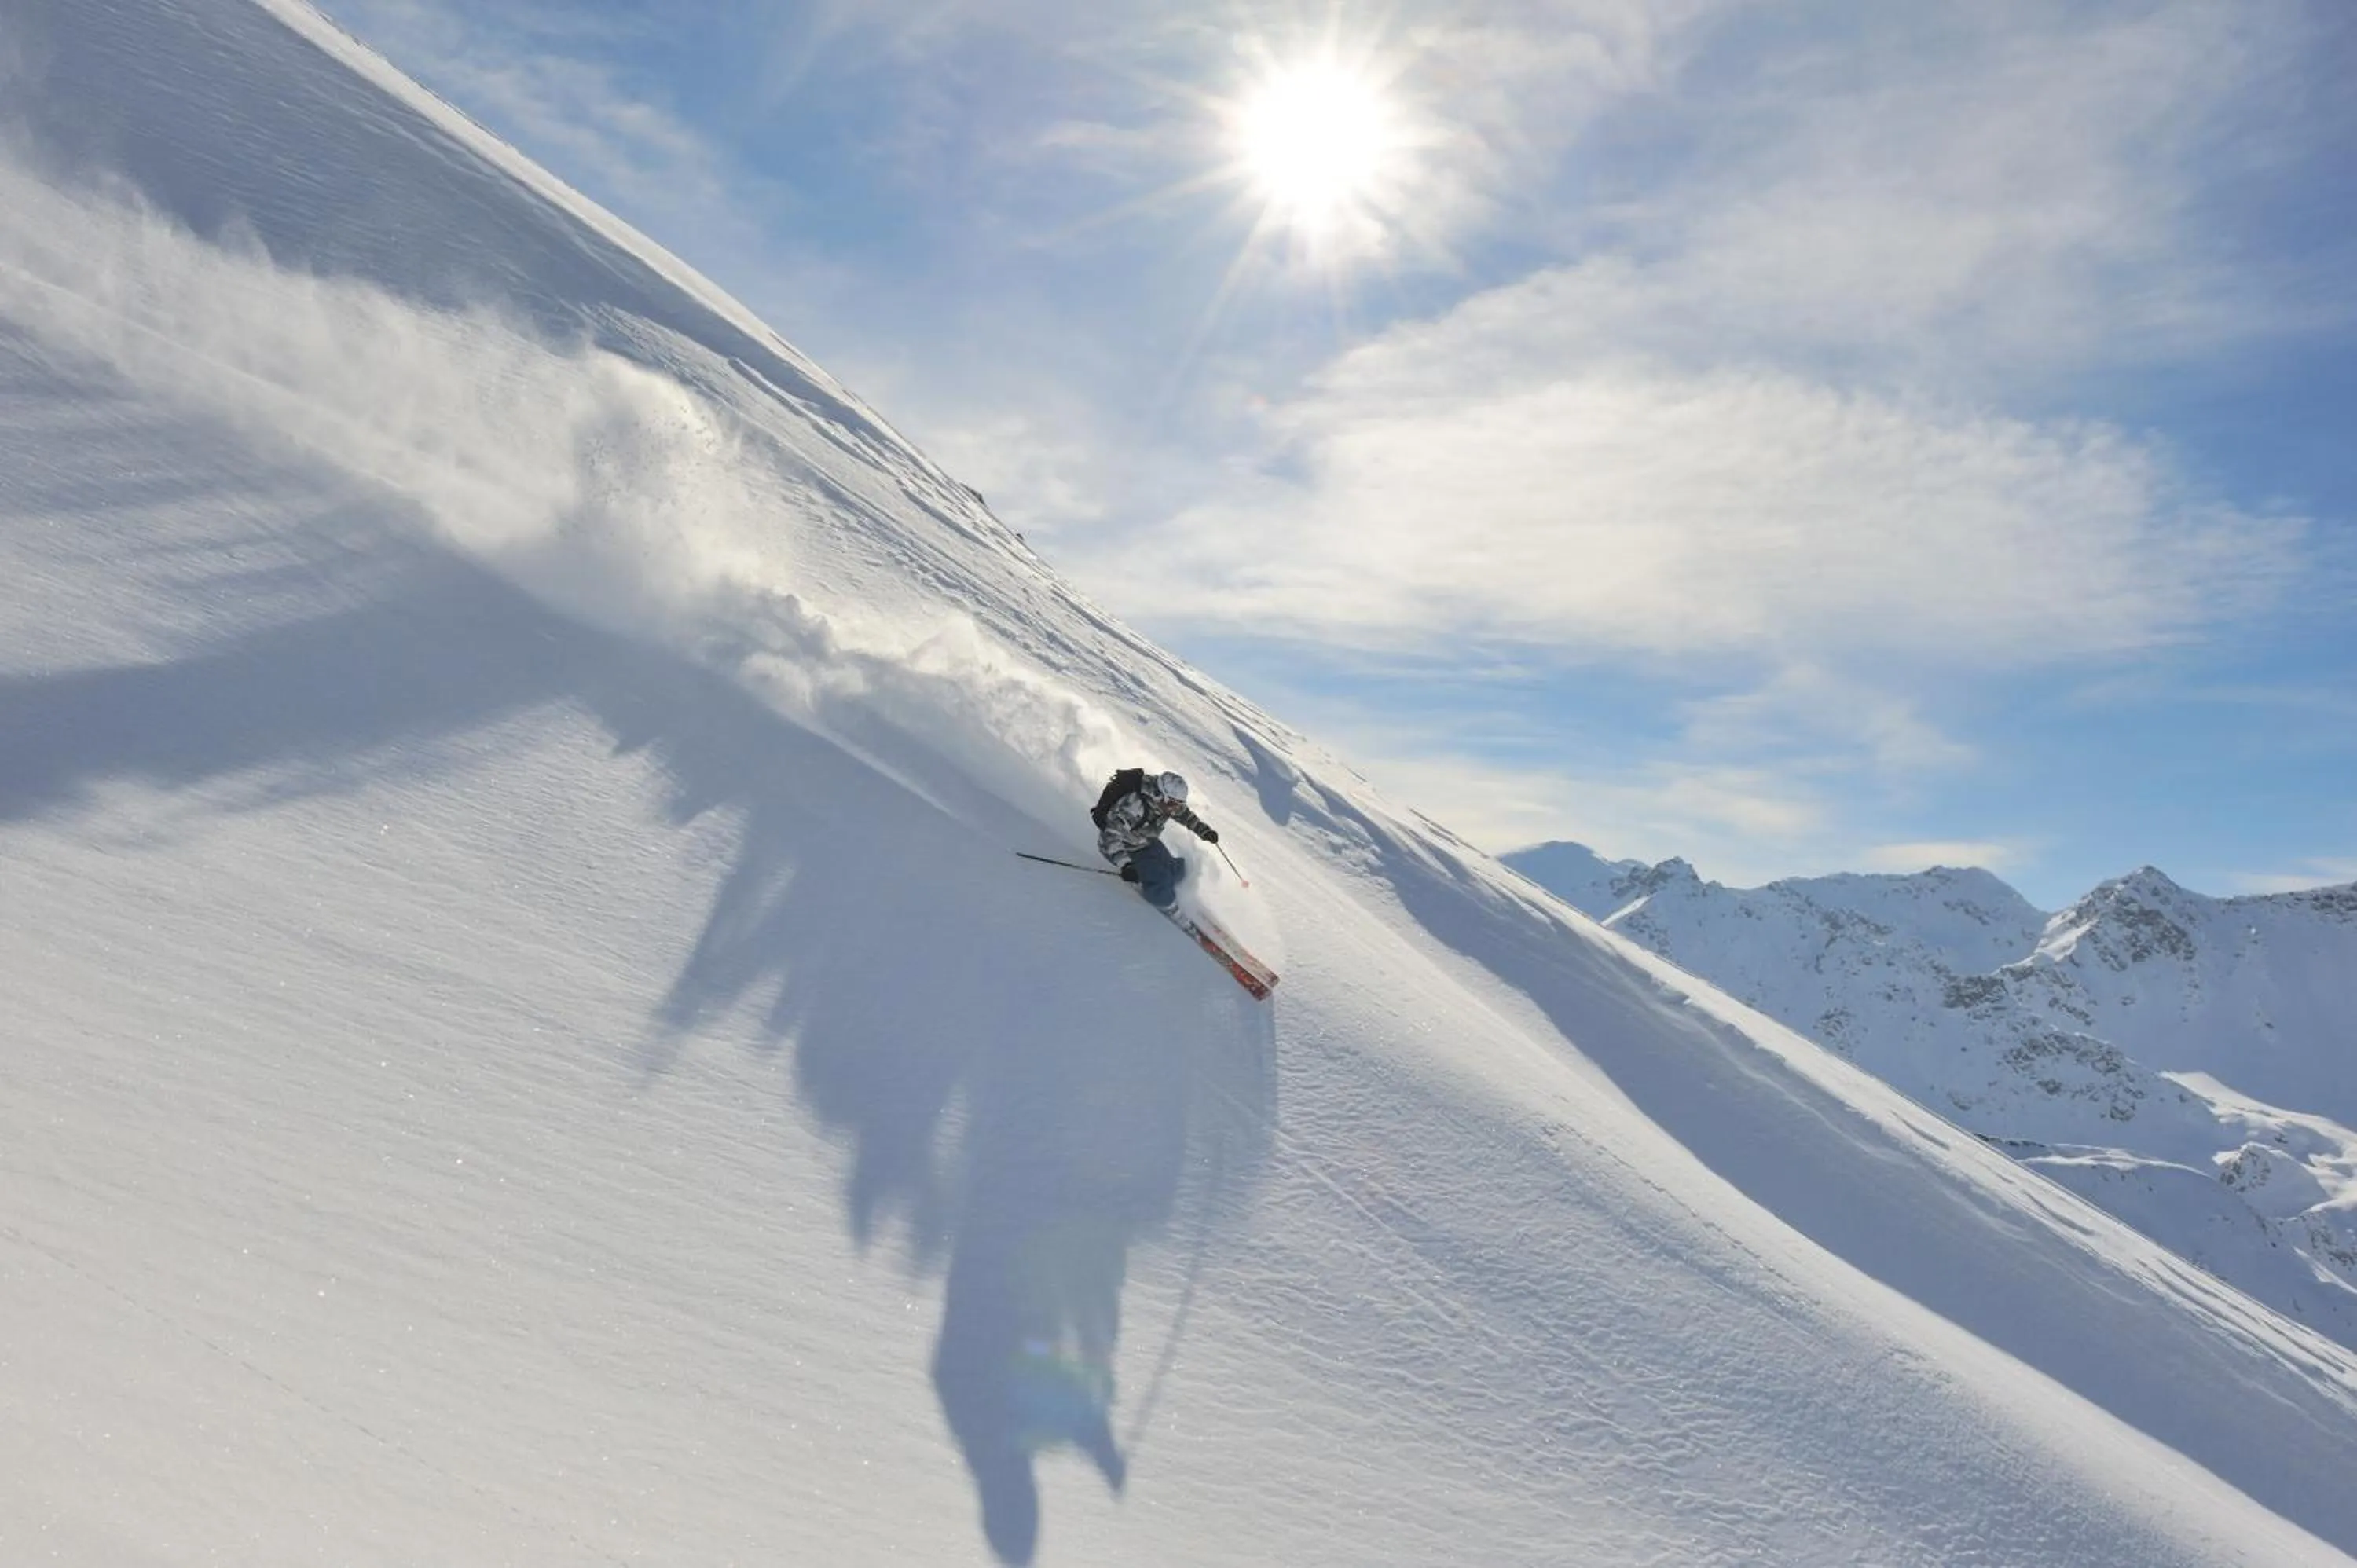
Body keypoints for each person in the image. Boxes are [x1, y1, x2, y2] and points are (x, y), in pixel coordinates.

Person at [1090, 768, 1219, 909]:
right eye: (1173, 804)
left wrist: (1204, 831)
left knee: (1177, 872)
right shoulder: (1134, 806)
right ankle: (1164, 902)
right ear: (1160, 795)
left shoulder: (1166, 803)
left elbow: (1184, 814)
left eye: (1178, 805)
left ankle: (1171, 889)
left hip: (1145, 841)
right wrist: (1126, 865)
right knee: (1161, 881)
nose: (1175, 809)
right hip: (1123, 848)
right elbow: (1111, 836)